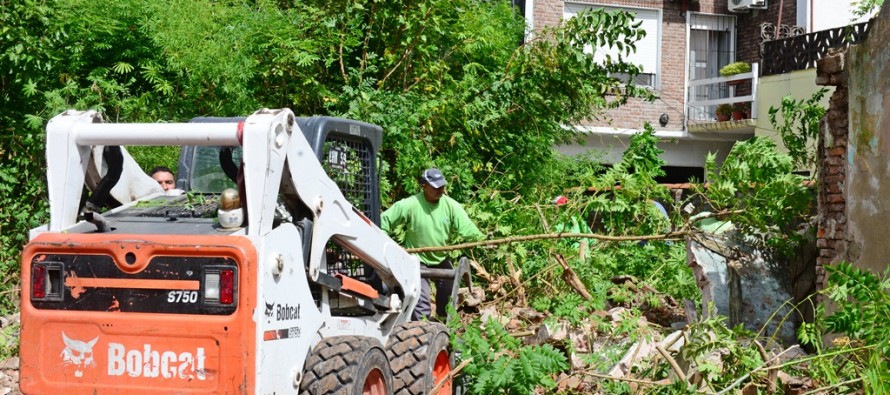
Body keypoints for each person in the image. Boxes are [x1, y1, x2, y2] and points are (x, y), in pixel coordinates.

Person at [381, 168, 484, 321]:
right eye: (436, 187)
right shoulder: (410, 204)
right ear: (424, 186)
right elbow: (384, 221)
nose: (440, 190)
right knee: (421, 301)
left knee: (449, 297)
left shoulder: (450, 205)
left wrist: (482, 239)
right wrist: (389, 244)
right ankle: (422, 330)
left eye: (442, 186)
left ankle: (444, 327)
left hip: (441, 258)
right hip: (417, 259)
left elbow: (467, 228)